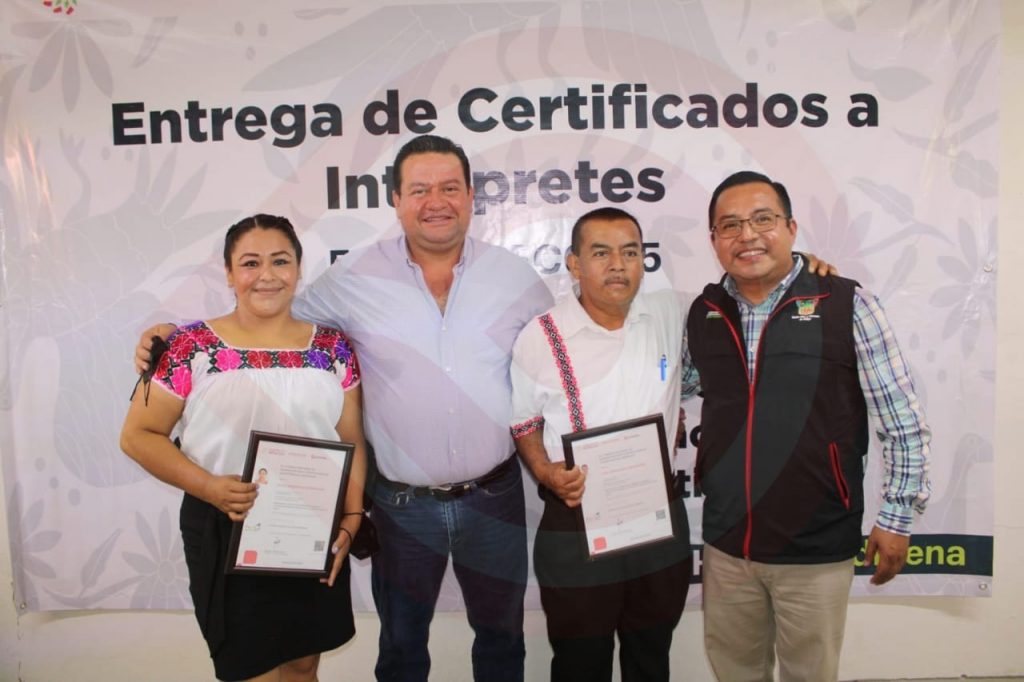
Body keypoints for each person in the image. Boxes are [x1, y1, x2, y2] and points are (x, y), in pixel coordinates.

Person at [135, 135, 554, 682]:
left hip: (494, 498)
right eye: (419, 189)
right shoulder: (353, 276)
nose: (436, 201)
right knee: (402, 648)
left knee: (502, 640)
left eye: (450, 187)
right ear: (396, 200)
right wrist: (175, 334)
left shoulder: (516, 277)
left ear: (472, 196)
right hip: (402, 507)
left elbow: (558, 354)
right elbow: (269, 315)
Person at [685, 171, 932, 681]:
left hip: (815, 545)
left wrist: (897, 517)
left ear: (791, 228)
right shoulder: (704, 312)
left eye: (763, 219)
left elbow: (902, 419)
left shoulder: (846, 304)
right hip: (727, 545)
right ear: (713, 239)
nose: (747, 235)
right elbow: (675, 384)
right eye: (730, 225)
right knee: (734, 672)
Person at [121, 214, 367, 682]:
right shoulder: (189, 347)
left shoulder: (332, 348)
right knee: (250, 668)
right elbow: (138, 436)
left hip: (310, 523)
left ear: (298, 269)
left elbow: (350, 438)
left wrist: (352, 518)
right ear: (230, 273)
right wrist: (210, 487)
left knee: (303, 664)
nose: (266, 275)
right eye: (251, 263)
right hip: (225, 525)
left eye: (280, 261)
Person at [510, 207, 693, 682]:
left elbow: (743, 292)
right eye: (601, 253)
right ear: (574, 264)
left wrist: (806, 267)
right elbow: (524, 423)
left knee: (650, 657)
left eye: (630, 252)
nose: (618, 265)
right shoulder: (540, 337)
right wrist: (546, 472)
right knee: (580, 665)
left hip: (657, 518)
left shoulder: (669, 313)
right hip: (575, 519)